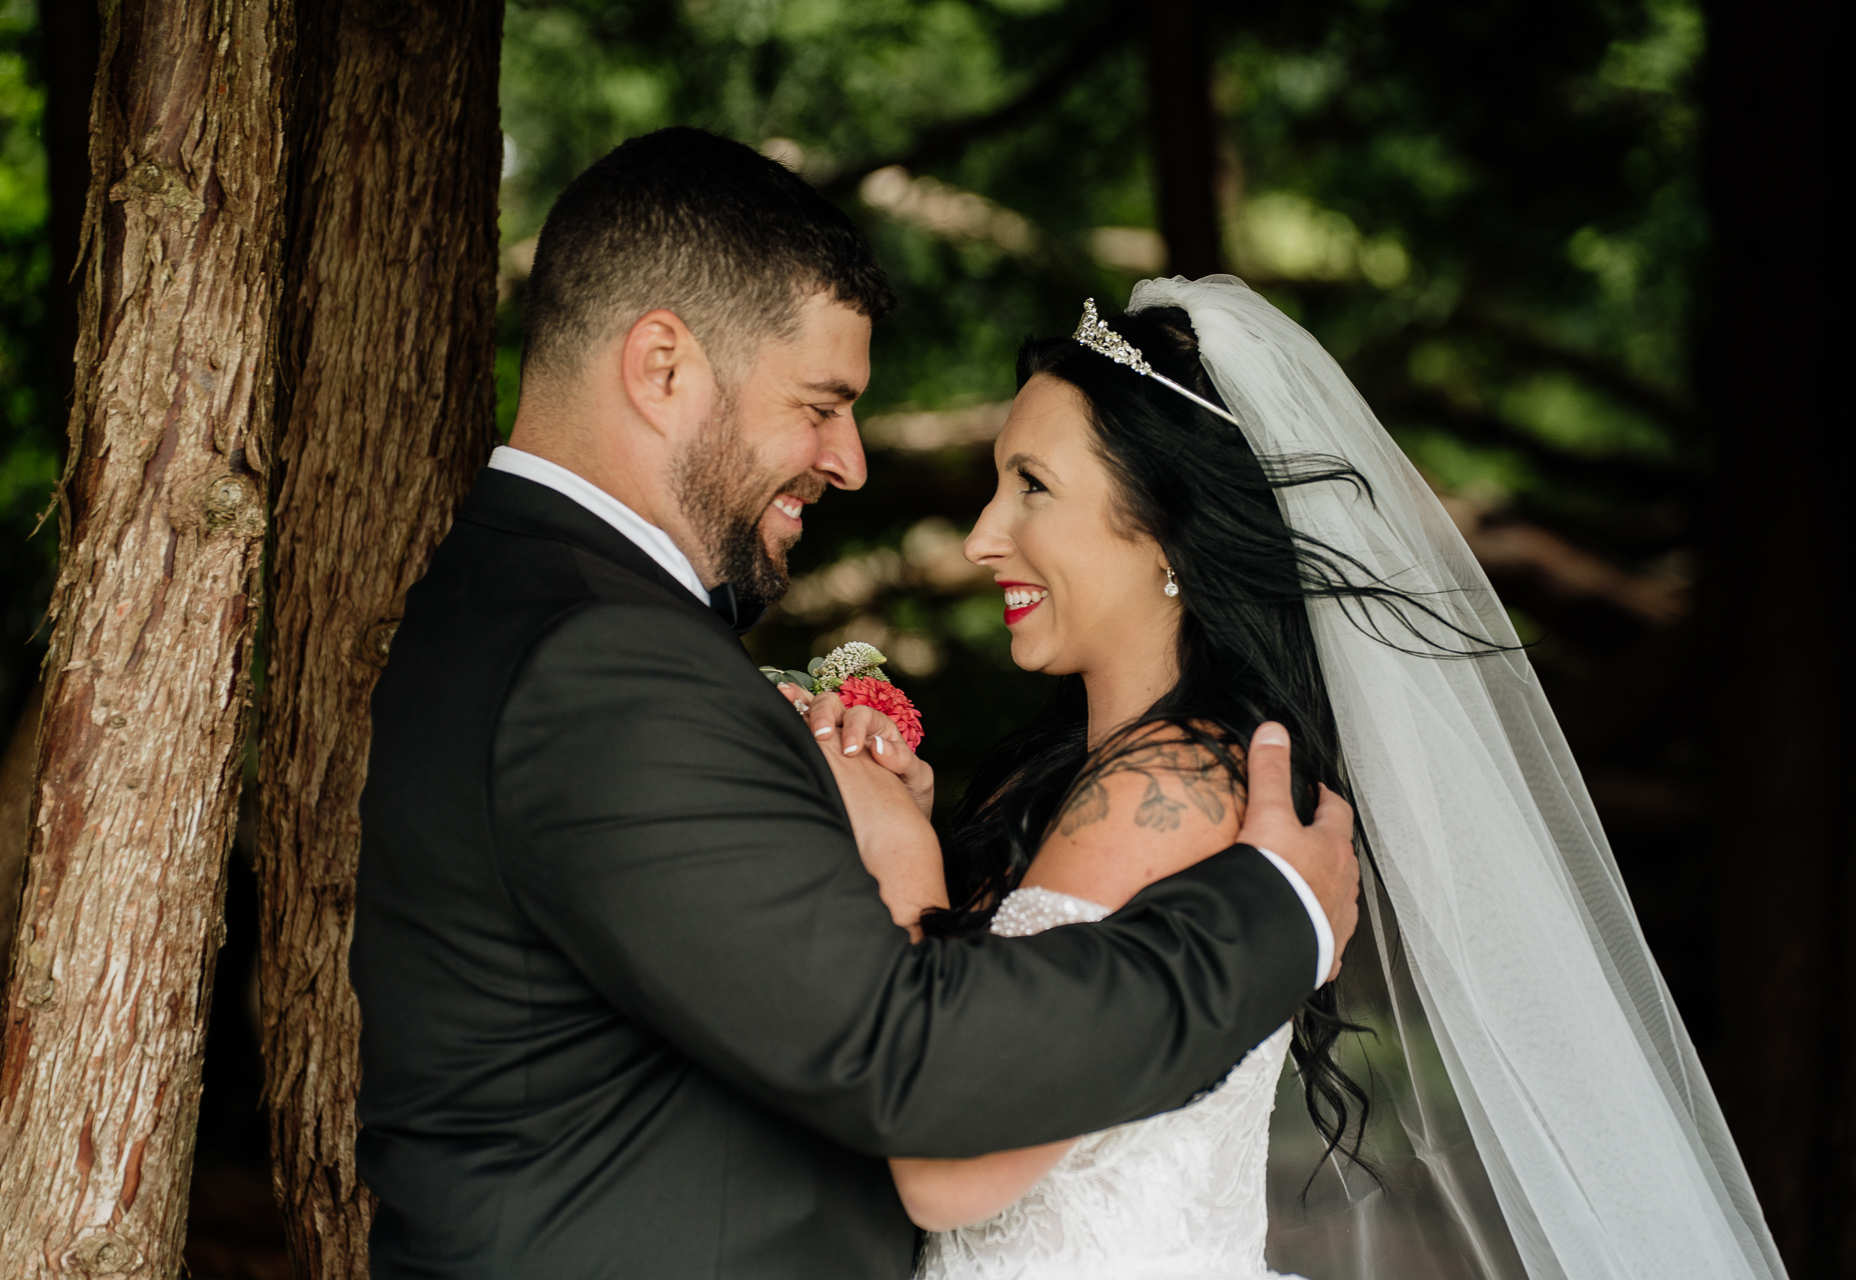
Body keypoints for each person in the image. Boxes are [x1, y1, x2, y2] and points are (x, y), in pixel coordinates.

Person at [349, 130, 1360, 1279]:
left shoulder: (522, 597)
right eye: (821, 403)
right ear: (663, 366)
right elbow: (914, 1071)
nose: (852, 461)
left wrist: (864, 840)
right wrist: (1275, 914)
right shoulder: (605, 658)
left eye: (1032, 484)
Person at [795, 280, 1790, 1280]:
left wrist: (894, 849)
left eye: (1033, 486)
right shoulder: (1070, 775)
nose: (982, 535)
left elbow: (945, 1157)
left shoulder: (1167, 788)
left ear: (1166, 530)